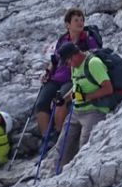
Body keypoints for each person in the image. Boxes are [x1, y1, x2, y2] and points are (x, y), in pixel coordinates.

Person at [34, 8, 100, 138]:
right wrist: (48, 71)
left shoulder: (88, 39)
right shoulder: (63, 39)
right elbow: (55, 59)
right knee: (41, 103)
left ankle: (58, 134)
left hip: (73, 77)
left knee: (61, 101)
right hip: (56, 77)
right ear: (67, 24)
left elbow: (95, 56)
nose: (80, 23)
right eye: (76, 20)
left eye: (82, 20)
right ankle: (45, 136)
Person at [56, 42, 114, 169]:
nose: (67, 65)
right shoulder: (74, 66)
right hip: (76, 112)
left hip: (94, 111)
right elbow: (76, 87)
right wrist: (63, 99)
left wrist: (86, 97)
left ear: (74, 56)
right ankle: (59, 173)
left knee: (84, 148)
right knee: (62, 147)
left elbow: (108, 88)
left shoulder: (94, 64)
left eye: (67, 62)